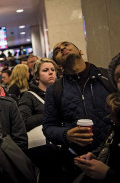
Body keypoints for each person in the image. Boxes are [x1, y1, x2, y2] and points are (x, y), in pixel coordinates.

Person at [43, 41, 115, 182]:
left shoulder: (106, 77)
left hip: (111, 157)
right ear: (58, 64)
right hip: (77, 163)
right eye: (57, 50)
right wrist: (66, 134)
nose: (62, 48)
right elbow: (48, 127)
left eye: (66, 45)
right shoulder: (55, 90)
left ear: (80, 51)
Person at [73, 52, 120, 183]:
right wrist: (99, 155)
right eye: (119, 78)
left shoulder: (100, 78)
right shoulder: (116, 113)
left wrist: (107, 173)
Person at [18, 58, 62, 183]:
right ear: (37, 75)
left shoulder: (62, 93)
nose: (51, 72)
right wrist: (49, 114)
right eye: (46, 70)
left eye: (53, 70)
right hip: (43, 150)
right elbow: (23, 121)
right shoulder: (29, 96)